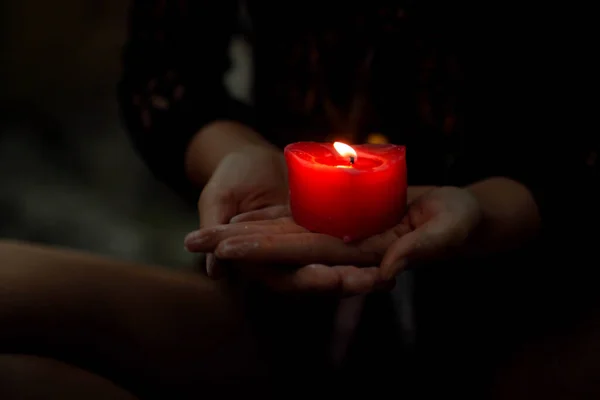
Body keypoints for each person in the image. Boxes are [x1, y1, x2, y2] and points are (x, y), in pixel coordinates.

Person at [0, 0, 597, 398]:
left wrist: (491, 212)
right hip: (269, 319)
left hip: (525, 319)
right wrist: (234, 153)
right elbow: (167, 76)